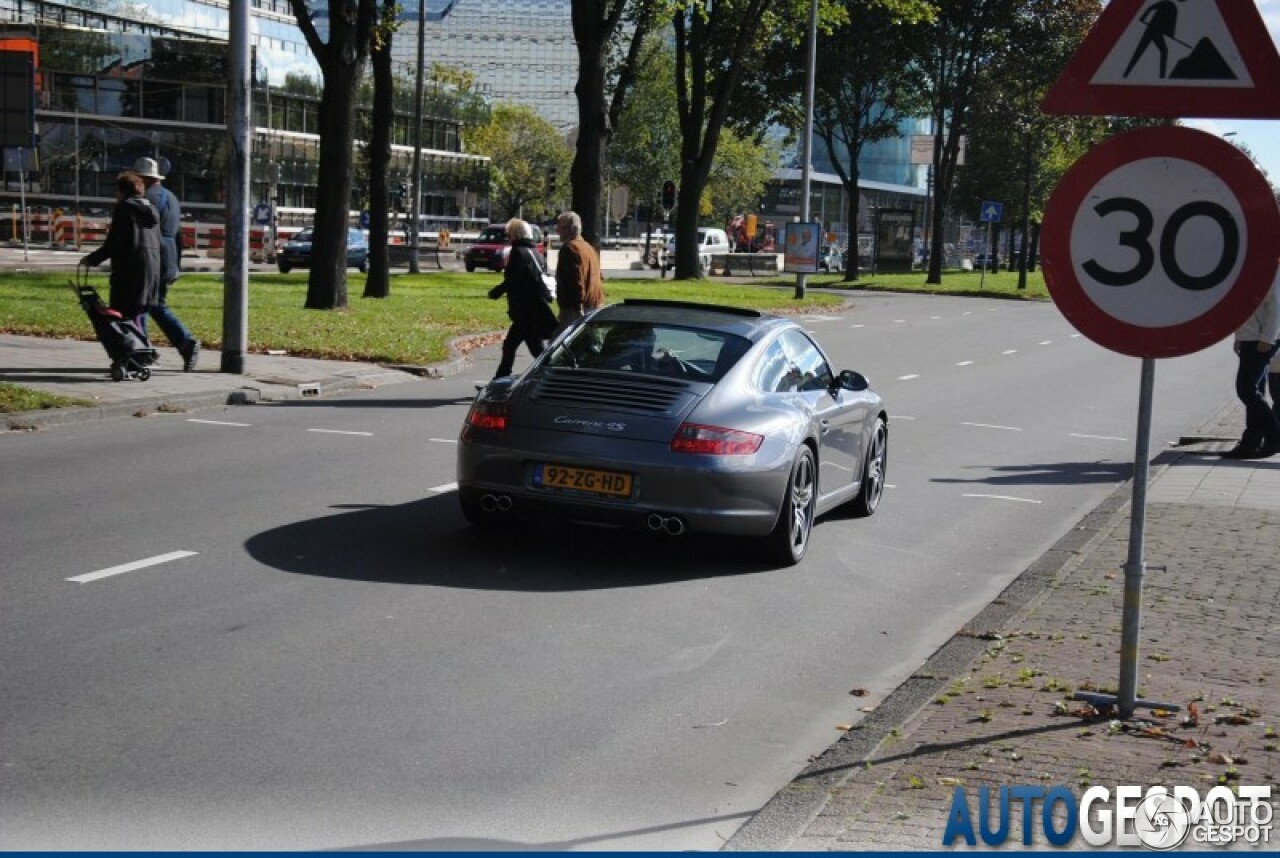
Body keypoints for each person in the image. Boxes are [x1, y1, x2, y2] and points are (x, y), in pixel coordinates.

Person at [134, 157, 200, 372]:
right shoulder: (171, 197)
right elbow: (178, 234)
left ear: (143, 178)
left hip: (154, 255)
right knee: (153, 304)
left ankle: (142, 351)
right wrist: (176, 264)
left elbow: (144, 231)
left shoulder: (147, 198)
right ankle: (183, 343)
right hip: (169, 255)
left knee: (142, 304)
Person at [81, 171, 161, 330]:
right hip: (151, 274)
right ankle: (142, 351)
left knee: (124, 321)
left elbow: (115, 243)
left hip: (129, 274)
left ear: (122, 191)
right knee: (137, 318)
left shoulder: (124, 210)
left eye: (117, 191)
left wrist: (92, 259)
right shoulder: (153, 212)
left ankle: (138, 352)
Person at [488, 218, 557, 378]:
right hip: (534, 307)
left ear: (515, 234)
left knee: (536, 350)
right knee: (511, 345)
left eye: (509, 234)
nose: (508, 237)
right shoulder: (535, 252)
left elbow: (513, 280)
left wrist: (497, 292)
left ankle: (553, 375)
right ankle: (500, 378)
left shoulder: (518, 252)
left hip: (525, 310)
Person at [1220, 273, 1280, 459]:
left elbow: (1276, 307)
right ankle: (1251, 442)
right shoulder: (1251, 270)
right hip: (1250, 338)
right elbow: (1244, 307)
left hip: (1261, 340)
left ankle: (1274, 436)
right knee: (1255, 390)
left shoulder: (1271, 271)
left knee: (1246, 389)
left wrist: (1268, 338)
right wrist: (1239, 336)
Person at [552, 210, 604, 334]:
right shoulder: (589, 248)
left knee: (558, 348)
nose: (557, 231)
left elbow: (576, 280)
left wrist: (577, 307)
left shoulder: (570, 249)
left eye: (560, 227)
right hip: (594, 304)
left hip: (574, 309)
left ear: (569, 229)